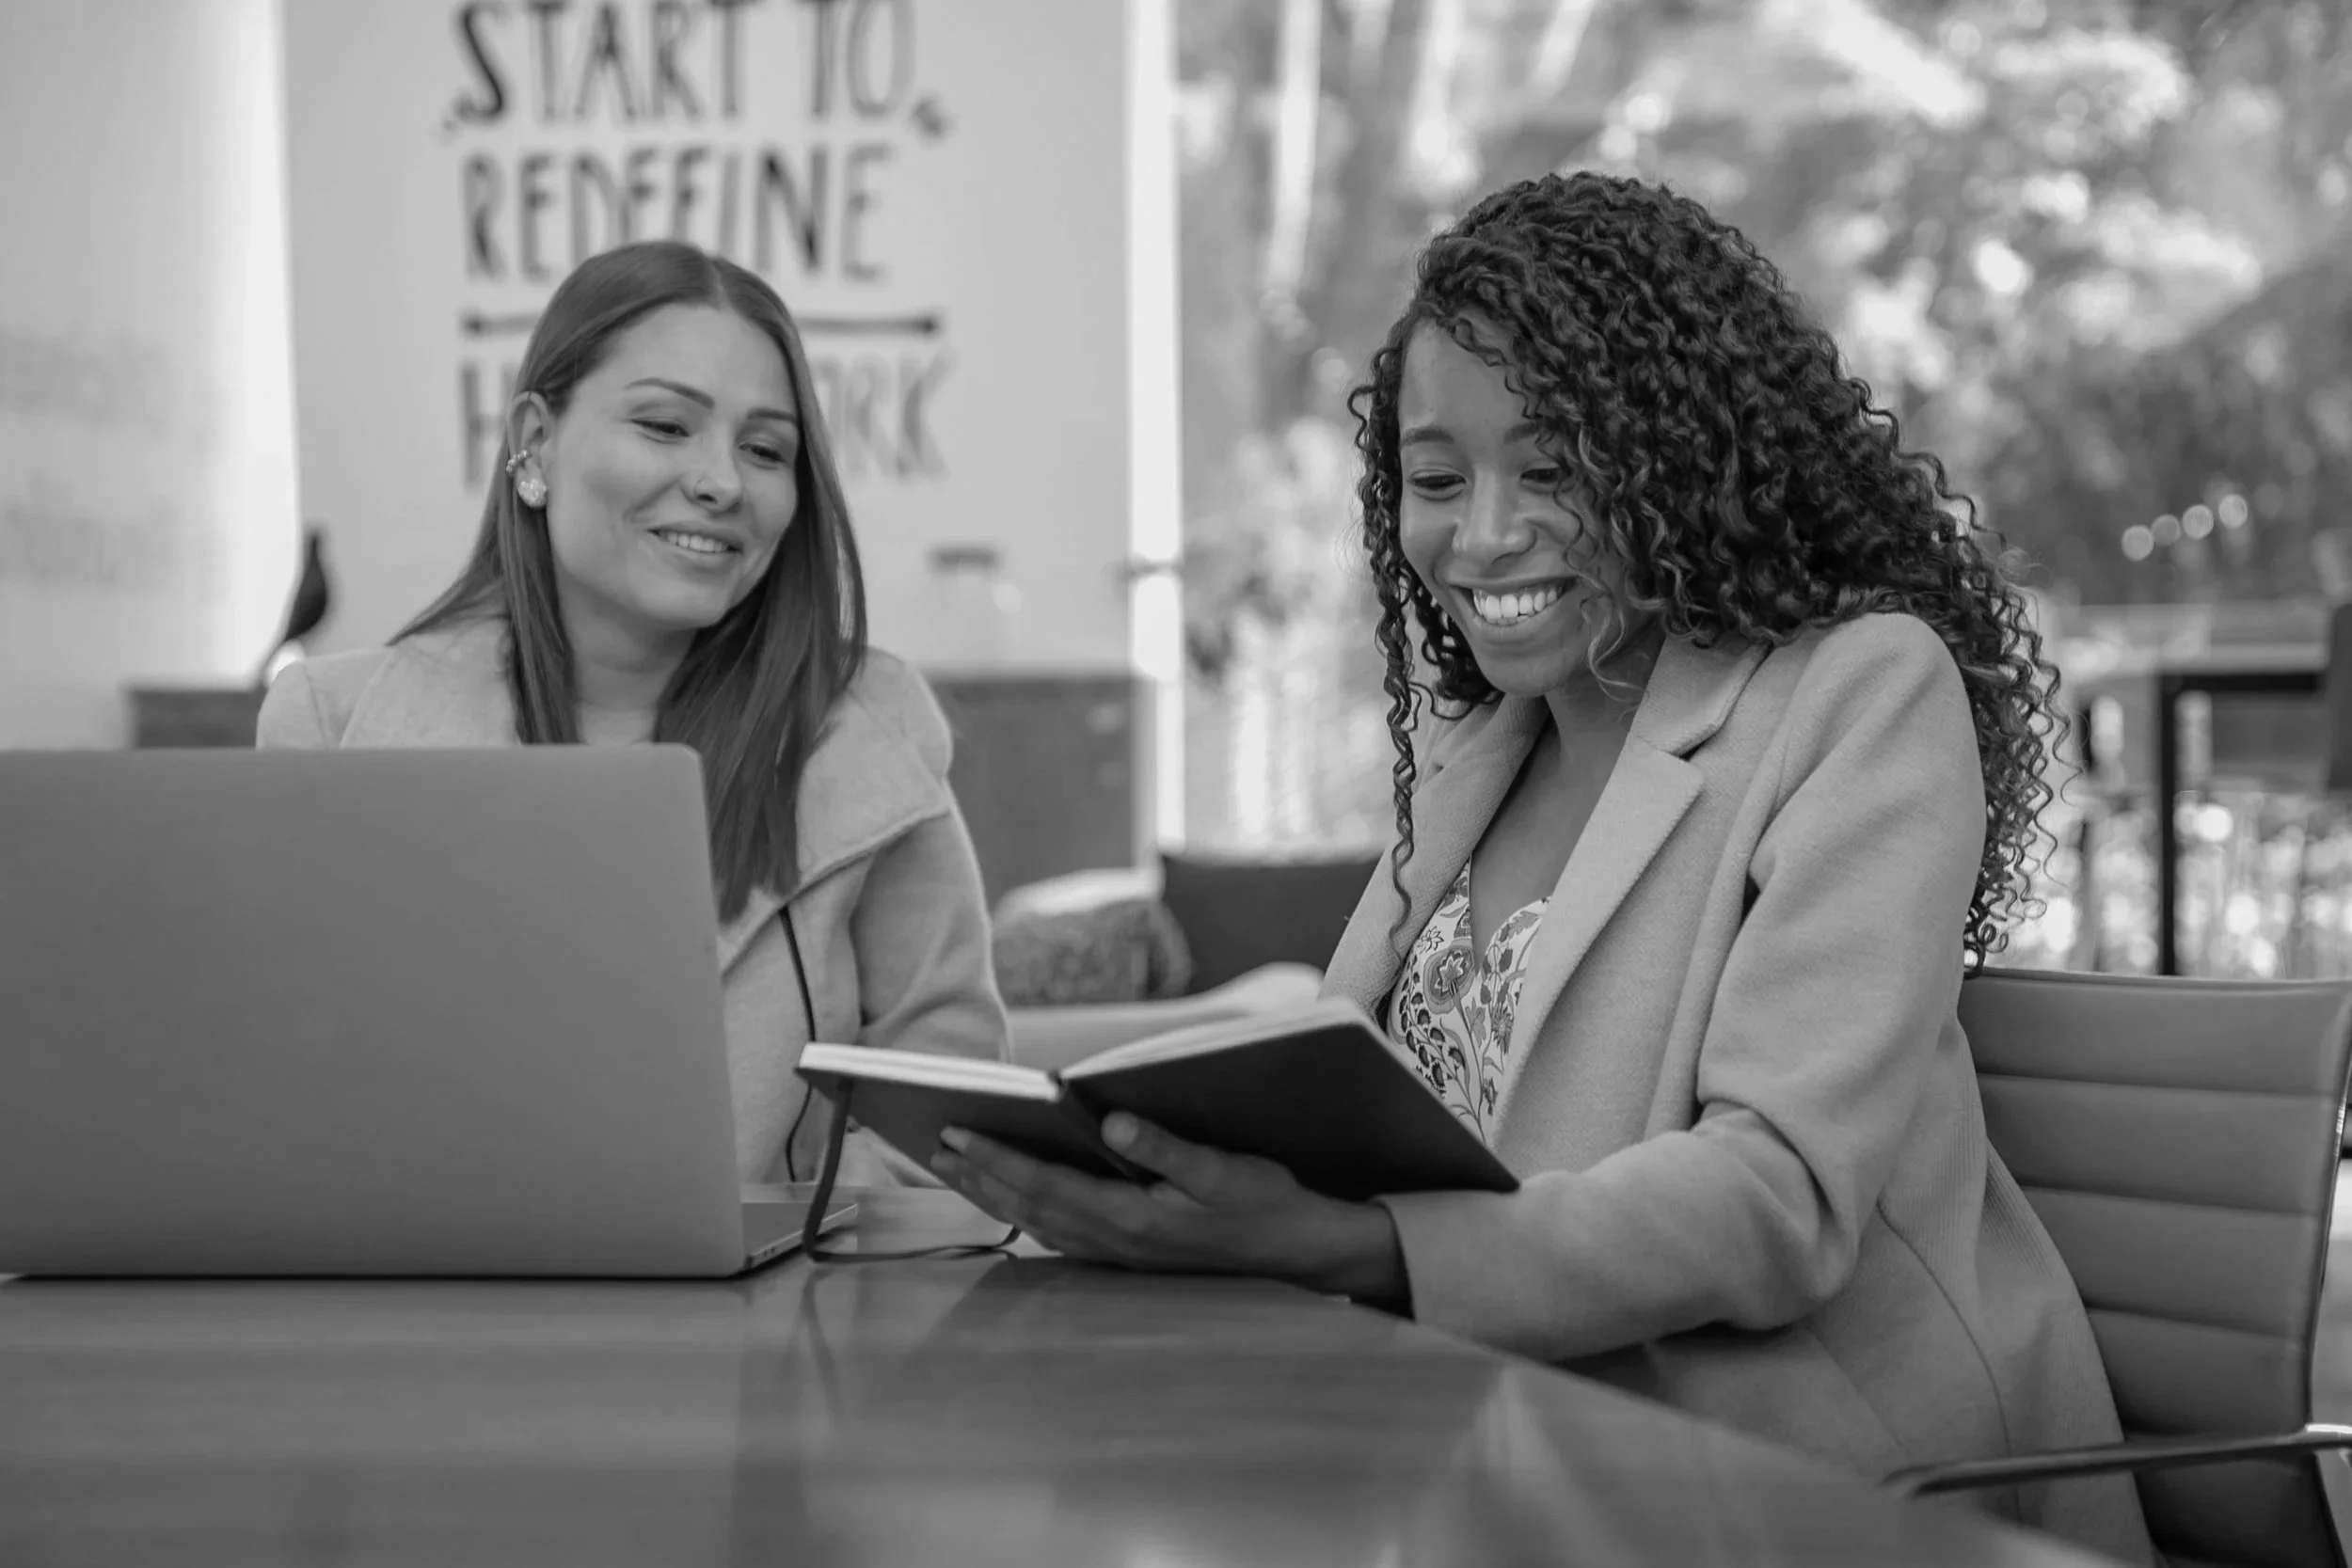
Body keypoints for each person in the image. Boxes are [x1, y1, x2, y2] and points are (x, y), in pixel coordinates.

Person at [929, 173, 2153, 1561]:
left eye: (1557, 469)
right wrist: (1145, 1178)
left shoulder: (1859, 694)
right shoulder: (1479, 744)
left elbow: (1776, 1198)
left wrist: (1352, 1247)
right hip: (1473, 1439)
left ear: (1687, 461)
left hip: (1787, 1478)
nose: (1485, 533)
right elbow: (1365, 1106)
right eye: (1439, 479)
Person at [257, 239, 1009, 1186]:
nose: (722, 481)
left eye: (765, 449)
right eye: (664, 425)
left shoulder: (870, 730)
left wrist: (803, 1236)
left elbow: (948, 1094)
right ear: (534, 441)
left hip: (785, 1320)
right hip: (440, 1312)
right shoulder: (329, 725)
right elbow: (288, 1096)